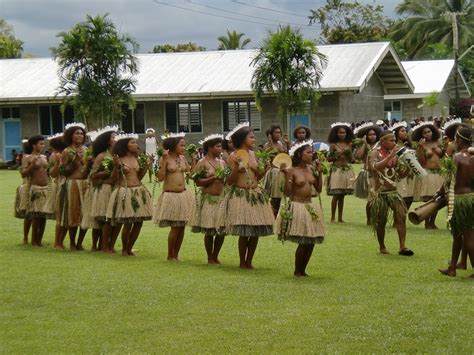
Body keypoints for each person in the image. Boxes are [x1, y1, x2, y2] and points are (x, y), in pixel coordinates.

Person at [224, 122, 274, 269]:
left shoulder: (253, 154)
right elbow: (229, 181)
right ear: (242, 139)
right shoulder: (233, 156)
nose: (254, 140)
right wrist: (236, 168)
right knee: (244, 231)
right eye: (251, 137)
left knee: (255, 230)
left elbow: (256, 178)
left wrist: (265, 169)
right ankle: (242, 261)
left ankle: (250, 260)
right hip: (241, 195)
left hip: (255, 194)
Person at [275, 140, 326, 277]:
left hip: (309, 206)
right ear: (299, 154)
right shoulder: (291, 171)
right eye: (308, 152)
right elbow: (287, 192)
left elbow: (319, 189)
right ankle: (298, 270)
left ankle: (303, 270)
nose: (311, 155)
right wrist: (286, 176)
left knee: (311, 241)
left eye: (312, 152)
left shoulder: (311, 169)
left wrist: (319, 173)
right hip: (297, 206)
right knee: (304, 240)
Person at [106, 134, 153, 256]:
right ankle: (124, 249)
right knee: (128, 222)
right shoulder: (118, 159)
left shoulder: (136, 158)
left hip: (138, 191)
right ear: (124, 145)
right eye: (132, 142)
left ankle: (130, 248)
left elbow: (139, 177)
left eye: (135, 143)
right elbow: (113, 180)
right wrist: (116, 167)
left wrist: (147, 166)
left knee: (139, 222)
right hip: (125, 192)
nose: (136, 145)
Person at [367, 130, 413, 256]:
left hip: (393, 192)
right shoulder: (374, 153)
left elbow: (401, 174)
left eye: (394, 140)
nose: (394, 142)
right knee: (381, 221)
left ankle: (402, 246)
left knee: (401, 215)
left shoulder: (395, 154)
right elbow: (374, 167)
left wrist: (410, 166)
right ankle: (382, 246)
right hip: (380, 193)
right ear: (383, 141)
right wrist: (391, 156)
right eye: (391, 140)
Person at [154, 133, 195, 261]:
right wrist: (165, 159)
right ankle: (170, 255)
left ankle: (176, 254)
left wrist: (193, 160)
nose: (184, 147)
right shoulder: (165, 159)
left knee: (181, 226)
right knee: (175, 227)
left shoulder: (182, 158)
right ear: (173, 146)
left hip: (183, 195)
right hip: (171, 196)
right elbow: (160, 177)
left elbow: (190, 173)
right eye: (181, 145)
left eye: (184, 145)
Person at [439, 126, 474, 277]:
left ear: (459, 140)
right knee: (457, 234)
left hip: (460, 201)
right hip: (472, 198)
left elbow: (449, 180)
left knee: (468, 236)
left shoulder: (457, 157)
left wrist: (439, 192)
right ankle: (452, 267)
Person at [190, 134, 227, 264]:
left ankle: (216, 255)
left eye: (221, 146)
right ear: (210, 148)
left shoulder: (222, 162)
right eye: (218, 146)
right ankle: (209, 257)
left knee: (221, 230)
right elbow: (198, 182)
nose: (220, 148)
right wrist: (214, 178)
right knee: (210, 229)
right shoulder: (202, 163)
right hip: (208, 199)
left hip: (221, 199)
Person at [57, 122, 89, 251]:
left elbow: (88, 168)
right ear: (71, 135)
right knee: (73, 214)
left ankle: (80, 243)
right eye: (77, 133)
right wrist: (76, 161)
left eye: (82, 133)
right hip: (72, 184)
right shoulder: (67, 151)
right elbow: (63, 171)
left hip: (85, 184)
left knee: (85, 214)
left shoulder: (87, 150)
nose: (80, 135)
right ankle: (71, 243)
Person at [88, 126, 120, 253]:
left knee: (115, 220)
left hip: (117, 189)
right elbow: (93, 175)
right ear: (108, 141)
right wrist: (106, 173)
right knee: (103, 219)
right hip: (104, 189)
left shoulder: (119, 155)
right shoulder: (102, 156)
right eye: (113, 137)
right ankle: (98, 246)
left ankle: (109, 245)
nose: (116, 139)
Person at [21, 135, 53, 246]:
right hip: (35, 188)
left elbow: (48, 172)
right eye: (41, 144)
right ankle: (33, 240)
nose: (43, 146)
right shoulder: (27, 157)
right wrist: (31, 166)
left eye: (43, 144)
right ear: (34, 145)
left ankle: (39, 240)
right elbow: (23, 174)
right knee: (35, 215)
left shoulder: (44, 157)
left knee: (43, 216)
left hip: (46, 188)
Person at [411, 122, 445, 229]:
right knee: (430, 199)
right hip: (428, 174)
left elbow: (444, 157)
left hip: (439, 174)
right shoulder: (421, 145)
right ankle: (427, 222)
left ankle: (432, 222)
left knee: (438, 199)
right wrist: (421, 148)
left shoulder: (439, 143)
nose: (427, 134)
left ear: (433, 131)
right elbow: (421, 161)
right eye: (424, 133)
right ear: (421, 135)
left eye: (429, 131)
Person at [326, 122, 355, 223]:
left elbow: (352, 159)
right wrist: (340, 154)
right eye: (340, 132)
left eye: (344, 132)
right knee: (336, 195)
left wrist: (349, 154)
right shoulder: (333, 145)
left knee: (342, 195)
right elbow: (329, 159)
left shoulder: (349, 144)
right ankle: (333, 217)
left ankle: (340, 217)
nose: (342, 134)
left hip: (346, 170)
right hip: (336, 170)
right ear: (336, 133)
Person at [354, 122, 382, 225]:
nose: (372, 136)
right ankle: (369, 219)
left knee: (378, 199)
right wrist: (364, 144)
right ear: (366, 136)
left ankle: (378, 218)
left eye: (374, 134)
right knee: (370, 199)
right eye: (370, 135)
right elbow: (357, 157)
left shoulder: (379, 145)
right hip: (368, 174)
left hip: (379, 174)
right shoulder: (363, 145)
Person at [263, 124, 289, 216]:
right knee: (274, 198)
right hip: (274, 172)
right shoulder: (267, 145)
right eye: (276, 132)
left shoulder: (281, 144)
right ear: (270, 134)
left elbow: (286, 156)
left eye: (279, 132)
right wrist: (270, 142)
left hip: (282, 172)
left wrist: (287, 144)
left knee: (281, 197)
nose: (278, 134)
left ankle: (277, 216)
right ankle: (272, 216)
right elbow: (269, 155)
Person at [47, 133, 67, 249]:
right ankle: (57, 242)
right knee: (61, 215)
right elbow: (53, 173)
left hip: (63, 183)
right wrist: (59, 164)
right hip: (60, 184)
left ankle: (60, 241)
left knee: (64, 216)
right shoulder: (56, 155)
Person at [390, 121, 415, 211]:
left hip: (410, 176)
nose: (405, 132)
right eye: (402, 131)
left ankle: (401, 218)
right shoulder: (394, 147)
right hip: (399, 176)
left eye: (405, 131)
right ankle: (398, 219)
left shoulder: (408, 146)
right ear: (396, 133)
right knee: (400, 198)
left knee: (409, 199)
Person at [14, 139, 32, 244]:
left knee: (34, 216)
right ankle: (25, 237)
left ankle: (33, 237)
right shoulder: (26, 157)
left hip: (32, 186)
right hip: (28, 187)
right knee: (29, 215)